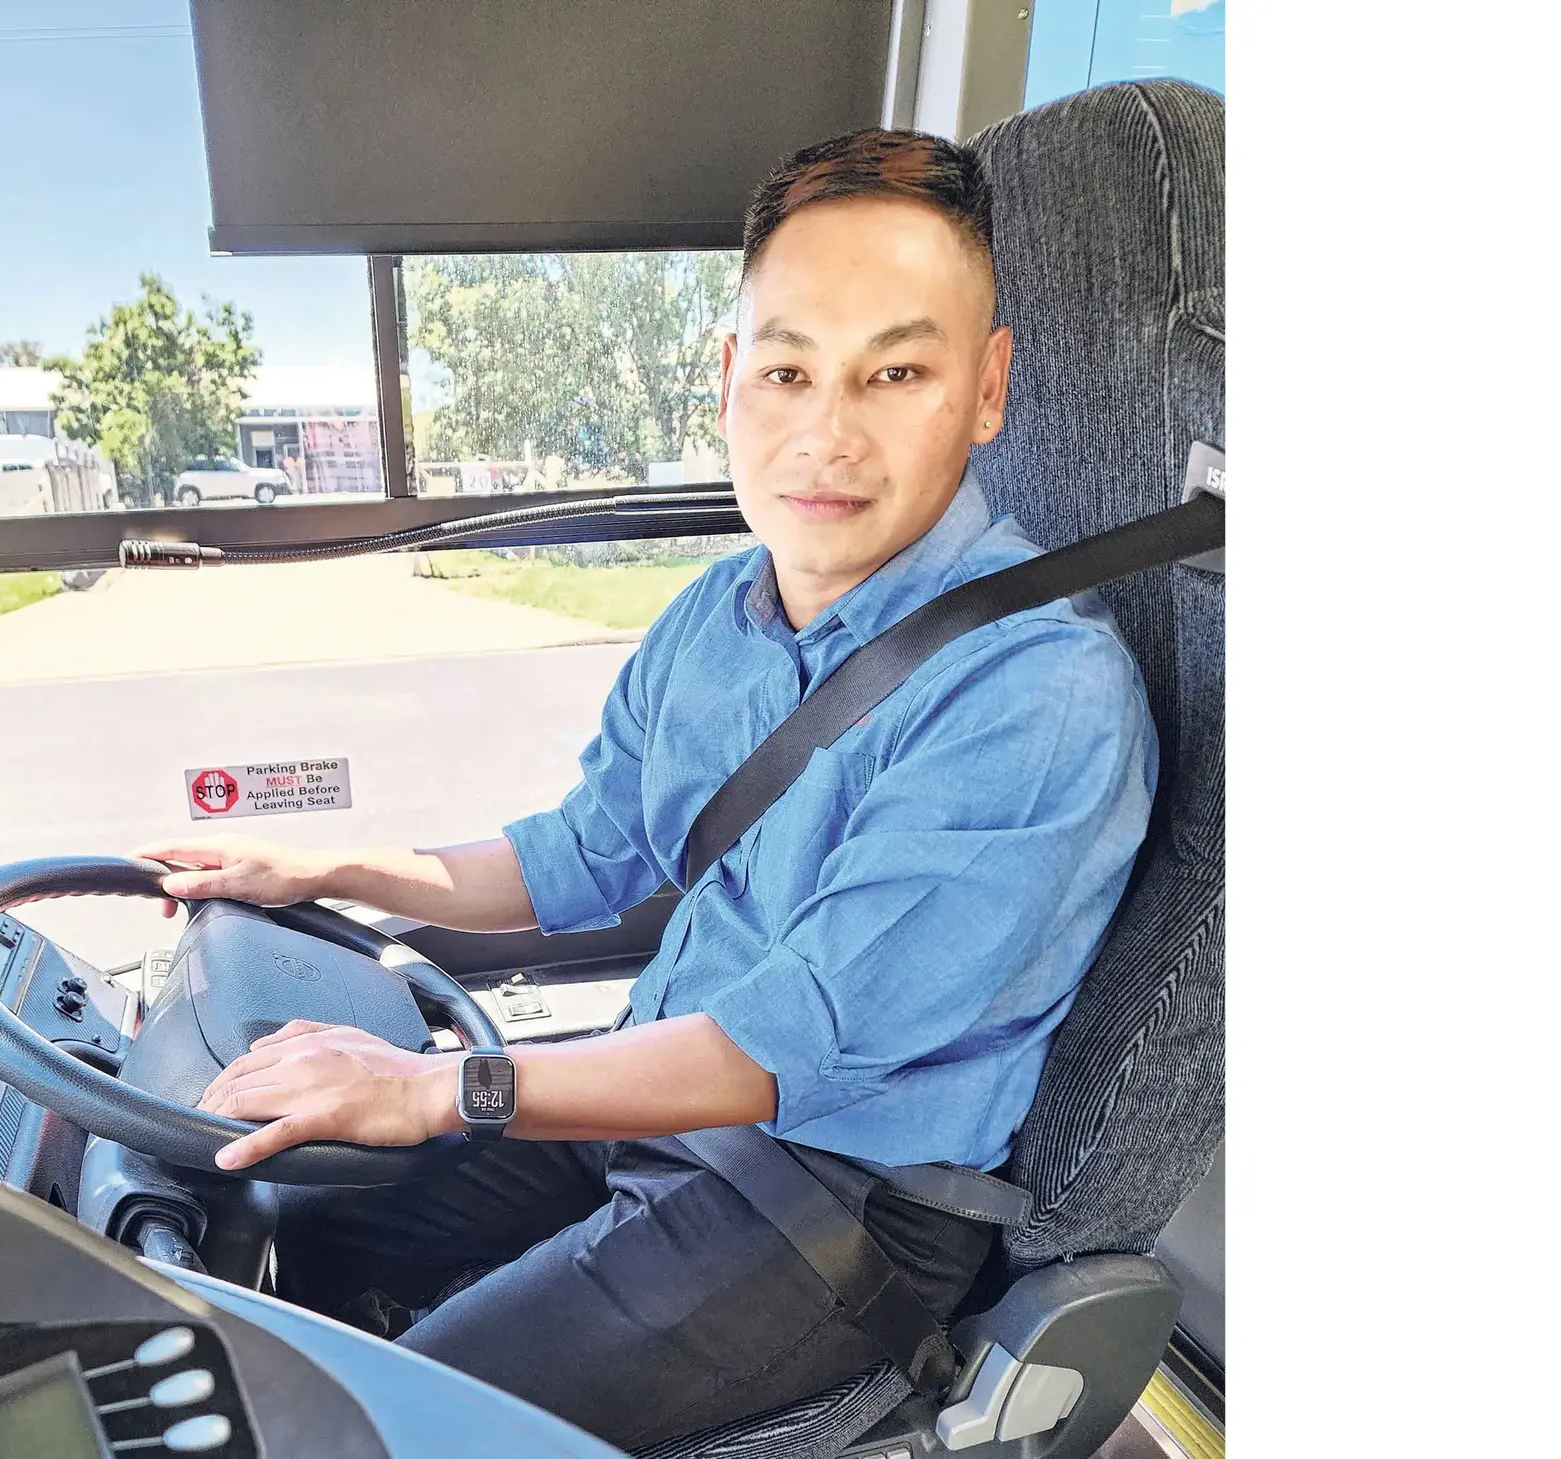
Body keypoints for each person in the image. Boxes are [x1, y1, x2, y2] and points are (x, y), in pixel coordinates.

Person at [134, 128, 1156, 1453]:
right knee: (281, 1219)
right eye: (788, 368)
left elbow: (776, 1047)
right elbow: (578, 854)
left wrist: (444, 1085)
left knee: (370, 1424)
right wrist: (328, 869)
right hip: (652, 1102)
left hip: (827, 1204)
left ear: (987, 388)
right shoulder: (717, 615)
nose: (826, 432)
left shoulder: (1037, 691)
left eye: (896, 370)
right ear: (731, 380)